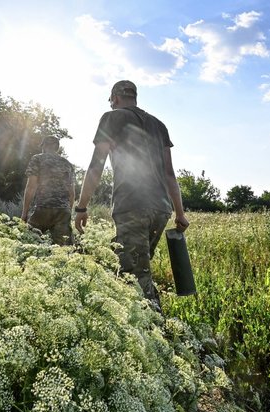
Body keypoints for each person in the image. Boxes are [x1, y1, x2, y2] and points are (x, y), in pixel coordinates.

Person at [74, 80, 189, 310]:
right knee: (136, 266)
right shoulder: (159, 125)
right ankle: (133, 317)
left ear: (115, 98)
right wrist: (180, 213)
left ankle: (157, 331)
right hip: (161, 209)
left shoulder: (111, 117)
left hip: (132, 205)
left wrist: (81, 206)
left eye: (111, 100)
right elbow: (169, 174)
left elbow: (96, 165)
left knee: (135, 277)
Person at [21, 135, 76, 245]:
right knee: (65, 251)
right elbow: (72, 193)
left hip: (43, 209)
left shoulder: (37, 159)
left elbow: (31, 187)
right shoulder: (67, 164)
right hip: (62, 211)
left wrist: (24, 213)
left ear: (45, 146)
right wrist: (67, 211)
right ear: (57, 148)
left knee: (29, 245)